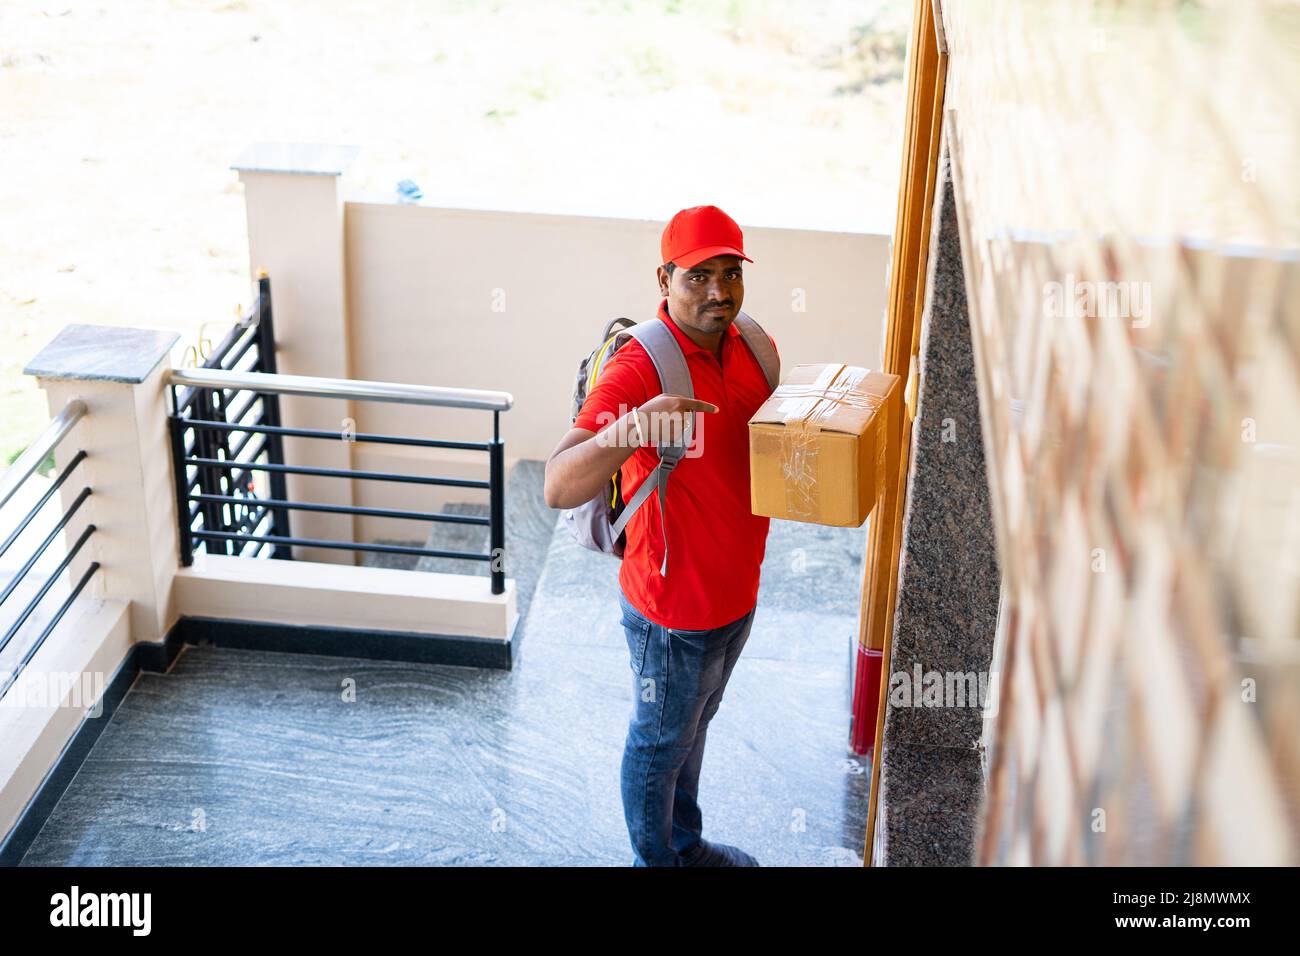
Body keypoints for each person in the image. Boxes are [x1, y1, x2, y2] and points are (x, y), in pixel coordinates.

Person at [543, 205, 779, 866]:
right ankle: (662, 860)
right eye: (699, 275)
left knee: (692, 730)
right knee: (659, 741)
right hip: (671, 610)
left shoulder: (756, 345)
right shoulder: (641, 368)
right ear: (664, 277)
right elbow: (559, 484)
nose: (718, 291)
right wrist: (635, 427)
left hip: (737, 594)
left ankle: (685, 844)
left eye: (730, 273)